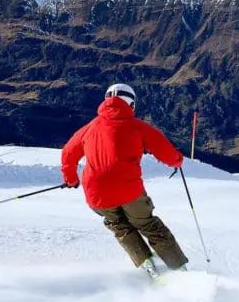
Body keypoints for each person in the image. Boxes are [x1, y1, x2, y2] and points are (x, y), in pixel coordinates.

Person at [61, 83, 188, 279]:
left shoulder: (89, 128)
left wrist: (71, 178)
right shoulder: (137, 127)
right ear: (131, 103)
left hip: (96, 193)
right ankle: (178, 268)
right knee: (148, 225)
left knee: (119, 224)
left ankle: (146, 263)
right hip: (129, 190)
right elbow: (166, 152)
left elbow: (68, 153)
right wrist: (177, 160)